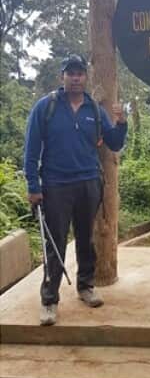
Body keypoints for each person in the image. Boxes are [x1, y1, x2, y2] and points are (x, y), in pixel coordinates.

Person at [23, 54, 128, 326]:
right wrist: (33, 187)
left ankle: (86, 286)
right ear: (63, 77)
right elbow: (31, 150)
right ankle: (49, 300)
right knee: (55, 244)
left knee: (86, 239)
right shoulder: (46, 107)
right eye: (70, 73)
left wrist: (121, 123)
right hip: (56, 185)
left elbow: (114, 143)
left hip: (89, 183)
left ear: (86, 77)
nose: (75, 78)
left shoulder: (95, 110)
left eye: (80, 73)